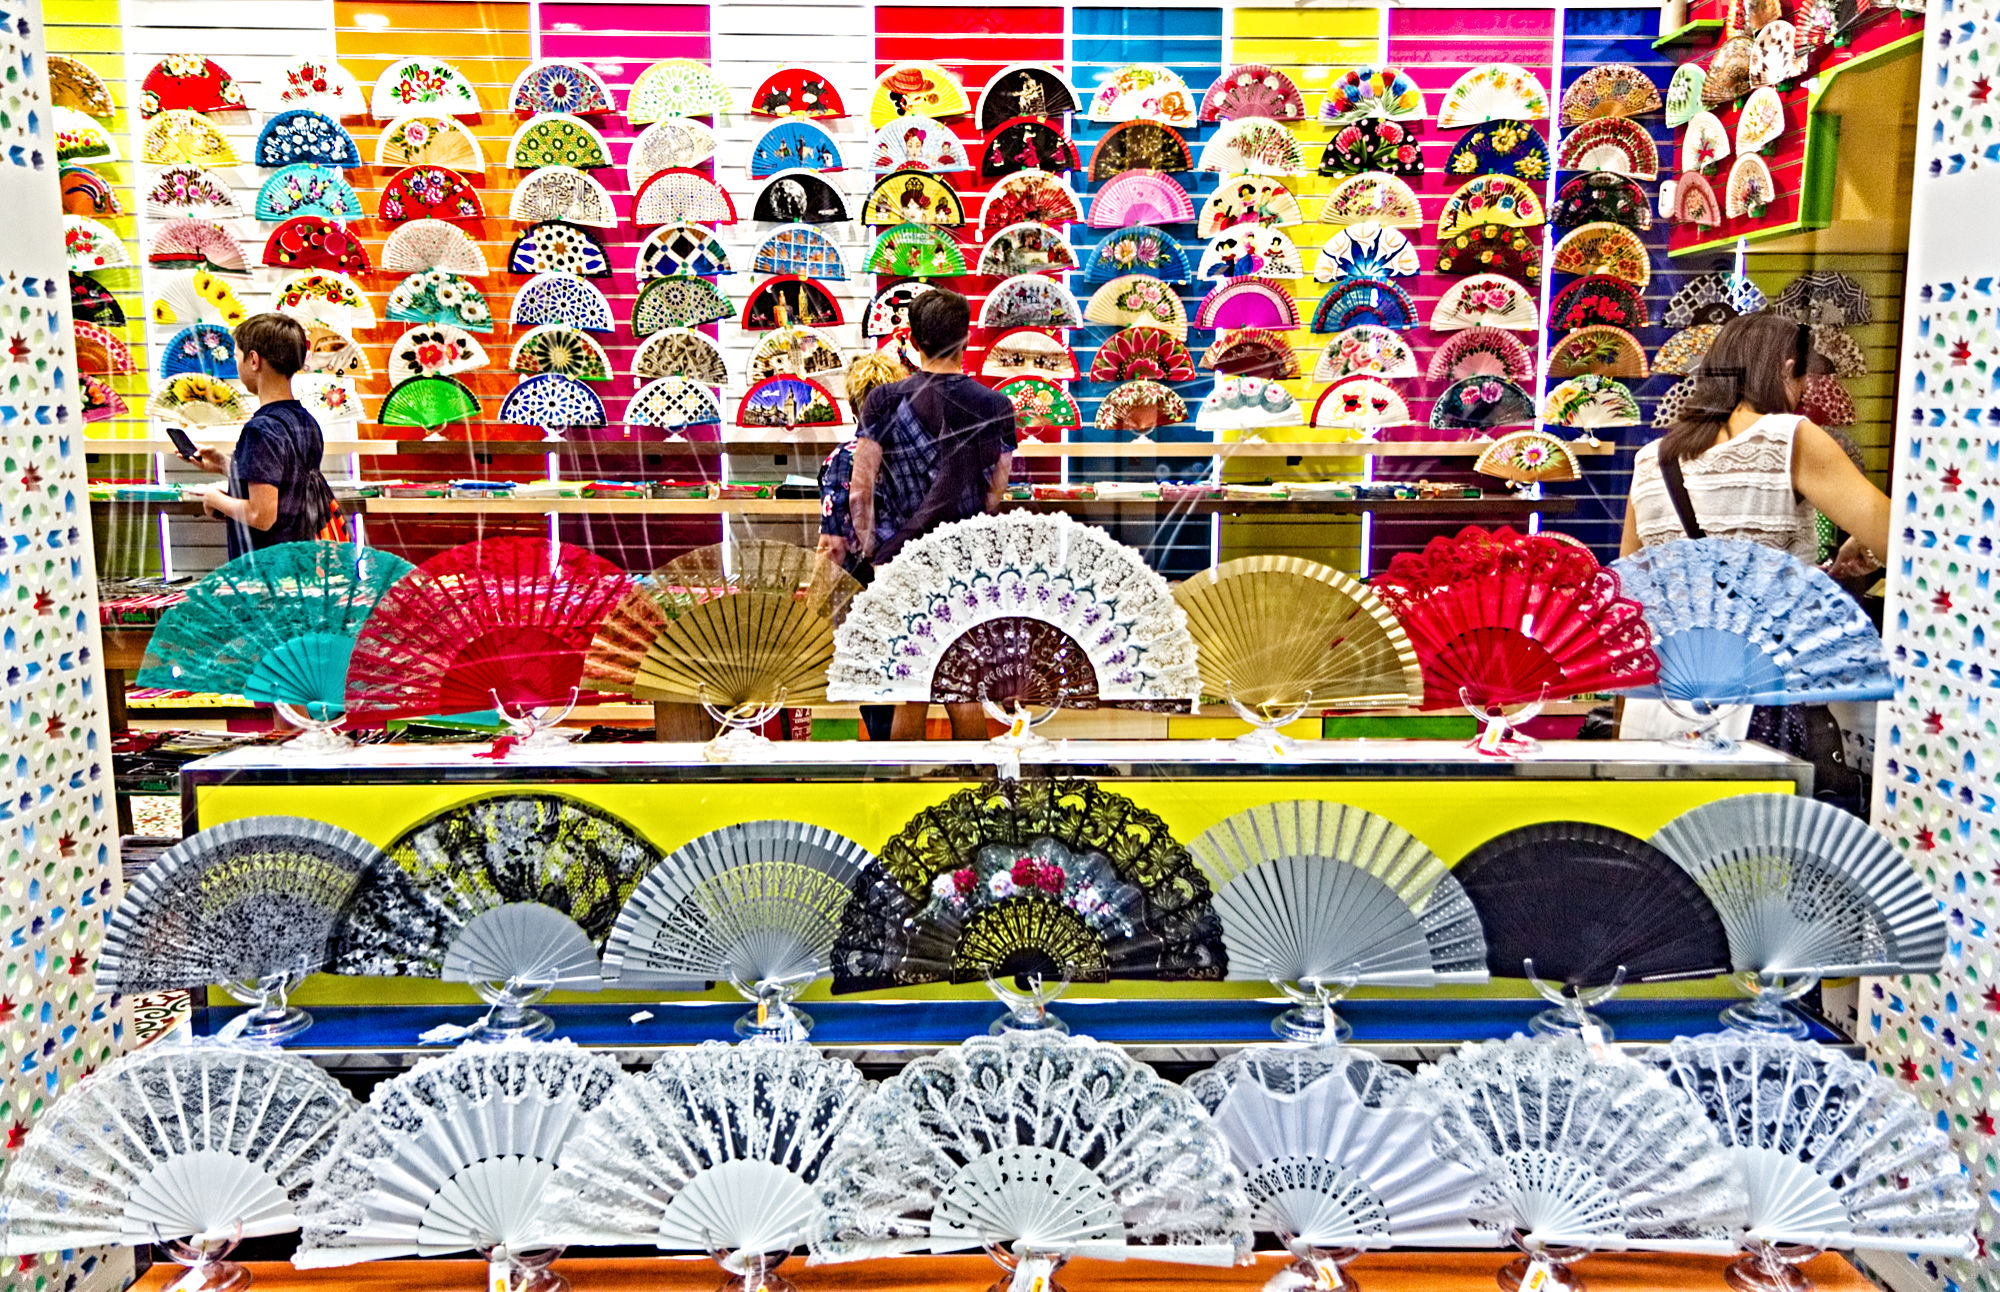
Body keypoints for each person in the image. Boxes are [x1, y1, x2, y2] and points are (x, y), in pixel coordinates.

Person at [1618, 310, 1892, 807]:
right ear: (1787, 371)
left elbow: (1629, 601)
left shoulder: (1651, 459)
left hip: (1659, 704)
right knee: (1755, 858)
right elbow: (1903, 539)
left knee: (1669, 862)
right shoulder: (1790, 438)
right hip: (1759, 704)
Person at [823, 288, 1017, 740]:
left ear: (912, 338)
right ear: (967, 339)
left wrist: (876, 551)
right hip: (965, 562)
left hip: (900, 562)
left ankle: (899, 793)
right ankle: (976, 798)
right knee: (963, 682)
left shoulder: (883, 402)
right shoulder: (996, 405)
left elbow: (859, 490)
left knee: (907, 682)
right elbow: (996, 492)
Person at [818, 351, 911, 743]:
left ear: (855, 404)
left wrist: (809, 614)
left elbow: (834, 547)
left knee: (876, 699)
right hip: (916, 582)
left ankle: (887, 778)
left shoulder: (844, 459)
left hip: (866, 591)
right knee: (912, 693)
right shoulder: (918, 454)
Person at [192, 314, 335, 559]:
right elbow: (288, 483)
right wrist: (228, 466)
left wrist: (214, 498)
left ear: (254, 360)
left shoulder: (260, 430)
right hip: (302, 563)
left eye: (238, 356)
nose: (237, 365)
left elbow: (262, 516)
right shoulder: (306, 422)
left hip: (267, 572)